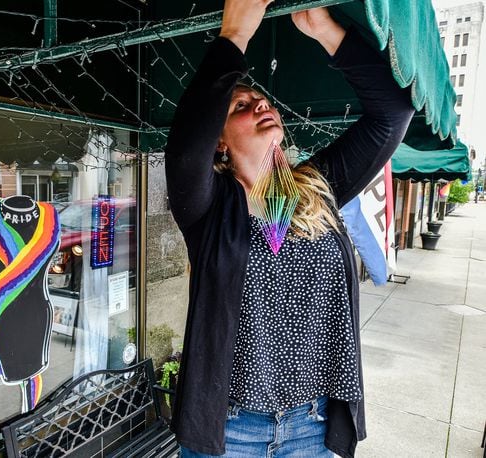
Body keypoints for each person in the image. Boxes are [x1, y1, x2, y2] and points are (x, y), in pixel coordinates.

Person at [164, 1, 414, 457]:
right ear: (218, 142)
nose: (260, 102)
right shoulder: (208, 209)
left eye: (262, 100)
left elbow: (392, 114)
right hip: (230, 431)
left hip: (312, 427)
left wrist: (324, 29)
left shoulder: (318, 187)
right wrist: (235, 33)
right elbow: (184, 148)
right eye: (240, 104)